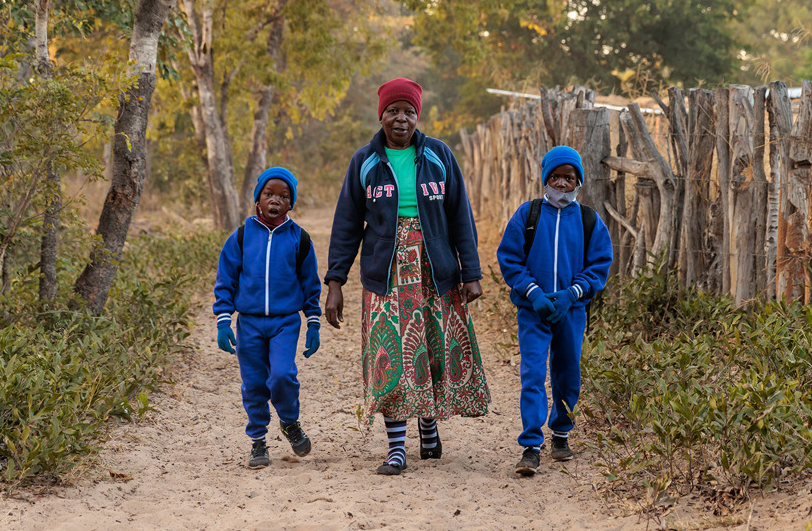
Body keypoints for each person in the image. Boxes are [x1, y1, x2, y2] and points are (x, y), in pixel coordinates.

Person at [324, 77, 490, 475]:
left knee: (430, 350)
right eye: (393, 111)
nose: (401, 119)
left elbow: (460, 218)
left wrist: (471, 273)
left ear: (419, 115)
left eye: (409, 111)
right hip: (386, 274)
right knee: (391, 356)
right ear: (380, 114)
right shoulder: (364, 161)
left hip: (435, 271)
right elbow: (346, 225)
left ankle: (428, 425)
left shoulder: (439, 156)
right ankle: (396, 447)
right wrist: (335, 283)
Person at [496, 146, 613, 476]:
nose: (562, 183)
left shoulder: (590, 221)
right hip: (533, 310)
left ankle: (560, 434)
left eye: (569, 177)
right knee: (532, 374)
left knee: (567, 372)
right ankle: (531, 445)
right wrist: (534, 293)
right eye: (556, 177)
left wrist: (570, 294)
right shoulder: (528, 215)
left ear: (579, 181)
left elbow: (600, 263)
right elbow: (510, 259)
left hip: (570, 311)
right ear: (545, 178)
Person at [213, 166, 321, 470]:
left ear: (291, 203)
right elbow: (225, 280)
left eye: (283, 196)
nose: (275, 200)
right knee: (254, 384)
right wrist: (223, 320)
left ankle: (289, 421)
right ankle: (258, 441)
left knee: (282, 375)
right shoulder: (242, 236)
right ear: (257, 199)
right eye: (269, 193)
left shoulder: (300, 239)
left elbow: (310, 284)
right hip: (248, 323)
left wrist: (313, 321)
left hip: (285, 321)